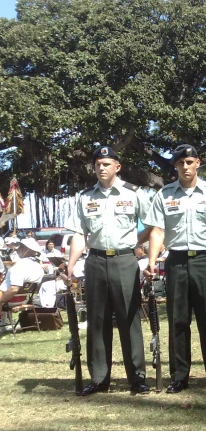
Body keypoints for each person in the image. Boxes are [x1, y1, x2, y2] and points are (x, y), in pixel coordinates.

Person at [65, 146, 152, 396]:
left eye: (106, 163)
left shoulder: (134, 193)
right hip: (95, 261)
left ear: (117, 166)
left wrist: (134, 243)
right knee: (97, 320)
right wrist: (71, 263)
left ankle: (137, 378)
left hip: (124, 260)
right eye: (98, 164)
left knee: (129, 318)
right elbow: (80, 233)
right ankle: (99, 378)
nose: (101, 168)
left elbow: (154, 224)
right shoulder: (85, 197)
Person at [144, 144, 206, 394]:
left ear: (198, 163)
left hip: (205, 260)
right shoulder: (165, 194)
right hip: (177, 261)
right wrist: (151, 260)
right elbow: (157, 230)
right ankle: (179, 376)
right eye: (180, 163)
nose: (185, 167)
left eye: (189, 162)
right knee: (178, 320)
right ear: (175, 166)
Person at [0, 238, 45, 309]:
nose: (17, 249)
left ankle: (3, 319)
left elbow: (14, 289)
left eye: (20, 247)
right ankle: (5, 319)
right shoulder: (39, 267)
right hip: (25, 300)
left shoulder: (19, 266)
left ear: (26, 249)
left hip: (8, 299)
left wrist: (1, 301)